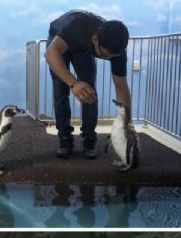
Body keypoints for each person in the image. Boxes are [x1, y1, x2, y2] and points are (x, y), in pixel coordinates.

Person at [45, 10, 131, 159]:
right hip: (58, 42)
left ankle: (89, 142)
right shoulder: (77, 26)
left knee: (89, 91)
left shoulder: (117, 51)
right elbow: (51, 53)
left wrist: (126, 126)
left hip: (83, 47)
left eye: (111, 57)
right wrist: (74, 83)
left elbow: (121, 87)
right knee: (61, 90)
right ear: (95, 39)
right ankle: (65, 140)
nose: (107, 58)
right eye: (104, 55)